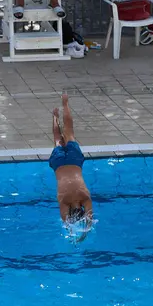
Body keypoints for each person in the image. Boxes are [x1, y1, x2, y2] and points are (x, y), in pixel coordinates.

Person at [50, 93, 93, 236]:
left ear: (81, 210)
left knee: (69, 131)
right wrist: (77, 236)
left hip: (75, 162)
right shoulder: (64, 201)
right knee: (57, 138)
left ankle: (65, 103)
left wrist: (84, 233)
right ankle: (55, 117)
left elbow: (89, 220)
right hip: (59, 163)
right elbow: (66, 224)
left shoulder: (85, 197)